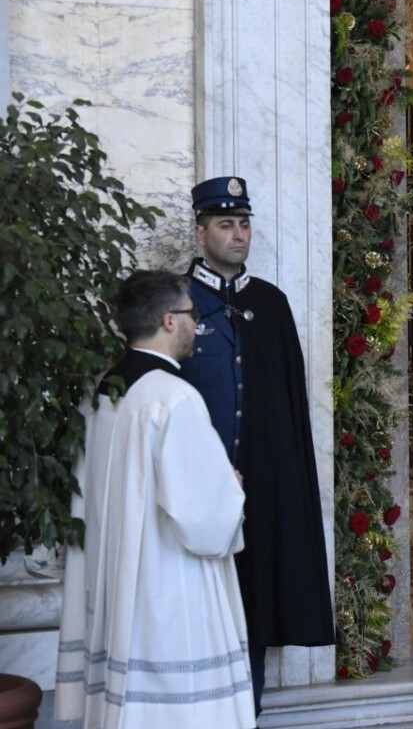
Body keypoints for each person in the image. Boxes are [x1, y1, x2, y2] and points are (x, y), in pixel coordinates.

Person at [55, 270, 255, 728]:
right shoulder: (174, 397)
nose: (195, 324)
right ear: (169, 320)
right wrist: (232, 487)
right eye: (192, 314)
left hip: (116, 575)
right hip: (167, 585)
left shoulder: (106, 386)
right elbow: (202, 517)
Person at [179, 176, 334, 715]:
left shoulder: (270, 303)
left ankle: (248, 709)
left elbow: (289, 403)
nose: (239, 234)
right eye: (226, 224)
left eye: (244, 224)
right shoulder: (176, 301)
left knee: (257, 592)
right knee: (193, 597)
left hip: (261, 482)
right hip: (196, 484)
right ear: (201, 233)